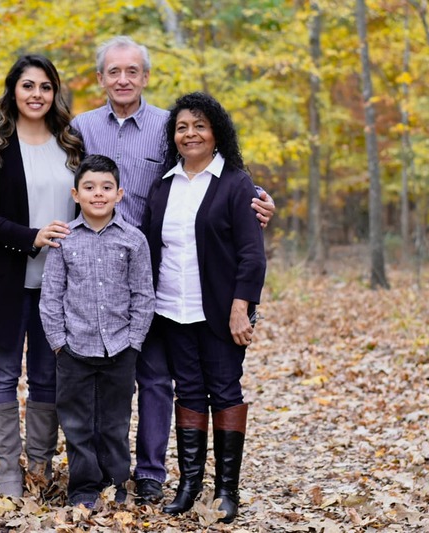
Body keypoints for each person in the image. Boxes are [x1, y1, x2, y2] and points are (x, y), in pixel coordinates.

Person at [71, 35, 276, 505]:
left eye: (132, 71)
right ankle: (174, 482)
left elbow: (226, 186)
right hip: (141, 289)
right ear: (102, 77)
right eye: (113, 71)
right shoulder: (82, 129)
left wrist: (258, 200)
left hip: (191, 293)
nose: (123, 79)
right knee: (164, 382)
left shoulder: (169, 126)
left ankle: (189, 483)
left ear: (145, 76)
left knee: (194, 383)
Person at [142, 92, 267, 523]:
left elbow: (252, 254)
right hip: (171, 310)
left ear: (216, 133)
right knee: (189, 393)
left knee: (225, 392)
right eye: (182, 127)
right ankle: (189, 484)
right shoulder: (163, 184)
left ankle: (226, 491)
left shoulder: (235, 183)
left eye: (199, 126)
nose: (190, 133)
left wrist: (241, 307)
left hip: (220, 311)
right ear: (173, 136)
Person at [0, 54, 84, 499]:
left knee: (48, 377)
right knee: (1, 374)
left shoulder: (71, 145)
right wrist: (31, 237)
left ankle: (40, 463)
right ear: (13, 90)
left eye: (46, 87)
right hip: (6, 280)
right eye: (28, 86)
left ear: (55, 93)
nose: (37, 95)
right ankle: (6, 470)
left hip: (59, 285)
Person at [39, 154, 156, 508]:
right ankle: (85, 489)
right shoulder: (64, 239)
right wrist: (59, 342)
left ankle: (116, 485)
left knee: (114, 424)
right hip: (74, 348)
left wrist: (134, 341)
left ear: (119, 194)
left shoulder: (133, 240)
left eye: (106, 187)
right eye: (89, 187)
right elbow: (51, 296)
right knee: (77, 424)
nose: (98, 194)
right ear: (76, 194)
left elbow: (143, 295)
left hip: (120, 348)